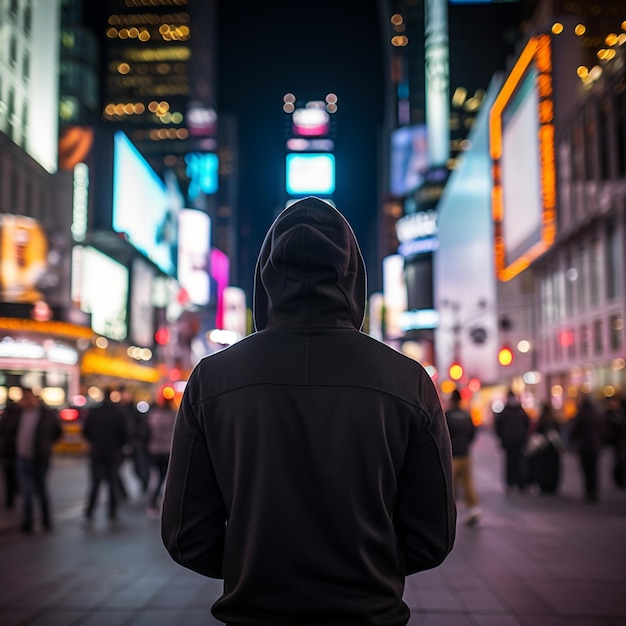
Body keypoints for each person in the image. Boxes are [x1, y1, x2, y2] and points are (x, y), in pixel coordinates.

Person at [161, 196, 456, 625]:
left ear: (265, 275)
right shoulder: (408, 380)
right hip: (369, 613)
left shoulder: (212, 379)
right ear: (353, 275)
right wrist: (367, 567)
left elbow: (185, 535)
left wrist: (255, 565)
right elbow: (434, 536)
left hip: (254, 614)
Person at [0, 388, 62, 532]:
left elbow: (57, 432)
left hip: (40, 458)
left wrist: (47, 445)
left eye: (29, 398)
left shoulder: (46, 414)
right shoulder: (17, 414)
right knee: (26, 491)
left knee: (41, 490)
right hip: (22, 457)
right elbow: (5, 431)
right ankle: (27, 522)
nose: (26, 401)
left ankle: (46, 520)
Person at [82, 388, 128, 521]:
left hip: (97, 452)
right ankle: (112, 511)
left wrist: (94, 441)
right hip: (113, 453)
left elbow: (85, 430)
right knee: (112, 482)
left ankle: (90, 511)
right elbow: (124, 434)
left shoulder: (95, 412)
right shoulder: (118, 413)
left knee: (95, 483)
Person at [445, 389, 481, 525]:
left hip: (452, 455)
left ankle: (447, 514)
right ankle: (474, 509)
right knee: (468, 482)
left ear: (452, 400)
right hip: (465, 453)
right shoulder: (467, 415)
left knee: (449, 484)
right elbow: (472, 433)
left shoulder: (447, 416)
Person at [569, 394, 606, 502]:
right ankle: (594, 490)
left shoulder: (581, 415)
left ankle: (588, 491)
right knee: (594, 469)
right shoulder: (597, 415)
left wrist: (573, 442)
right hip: (595, 446)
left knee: (586, 469)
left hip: (584, 446)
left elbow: (574, 430)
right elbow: (603, 430)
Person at [146, 393, 177, 515]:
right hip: (168, 450)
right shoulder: (174, 416)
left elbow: (147, 431)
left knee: (157, 477)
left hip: (154, 450)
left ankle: (154, 502)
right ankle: (162, 502)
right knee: (167, 478)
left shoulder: (154, 415)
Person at [494, 390, 530, 495]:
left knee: (513, 462)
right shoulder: (520, 411)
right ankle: (517, 483)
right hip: (516, 441)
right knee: (517, 462)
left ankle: (515, 483)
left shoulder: (506, 412)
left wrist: (502, 436)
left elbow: (498, 426)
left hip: (512, 441)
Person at [525, 402, 564, 494]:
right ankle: (552, 486)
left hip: (543, 447)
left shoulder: (542, 419)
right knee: (553, 469)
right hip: (553, 448)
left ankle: (543, 485)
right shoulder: (555, 419)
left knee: (542, 468)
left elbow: (536, 431)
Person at [119, 387, 150, 494]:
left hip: (135, 442)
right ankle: (122, 492)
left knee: (139, 468)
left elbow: (142, 427)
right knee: (116, 470)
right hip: (123, 442)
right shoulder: (120, 410)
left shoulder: (134, 410)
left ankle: (145, 484)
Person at [0, 397, 20, 509]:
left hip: (9, 453)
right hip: (13, 453)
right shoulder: (17, 418)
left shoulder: (5, 419)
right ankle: (12, 495)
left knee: (8, 477)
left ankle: (10, 500)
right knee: (12, 476)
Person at [603, 395, 626, 488]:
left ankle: (620, 478)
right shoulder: (609, 415)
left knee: (620, 460)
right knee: (617, 460)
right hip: (614, 441)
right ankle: (618, 478)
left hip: (620, 441)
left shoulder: (620, 413)